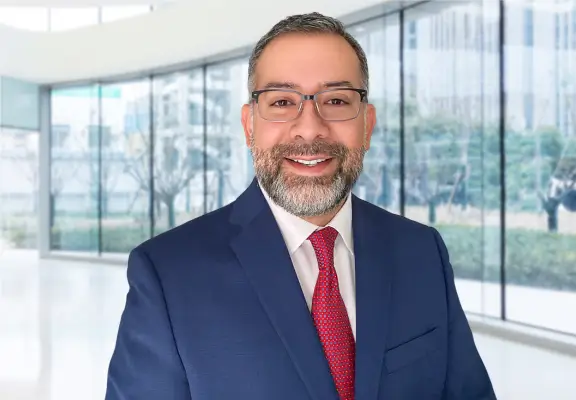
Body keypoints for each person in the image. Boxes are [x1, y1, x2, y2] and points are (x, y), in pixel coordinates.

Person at [105, 12, 496, 400]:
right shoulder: (168, 273)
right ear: (249, 126)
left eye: (337, 100)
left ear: (368, 124)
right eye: (281, 102)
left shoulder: (421, 251)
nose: (310, 128)